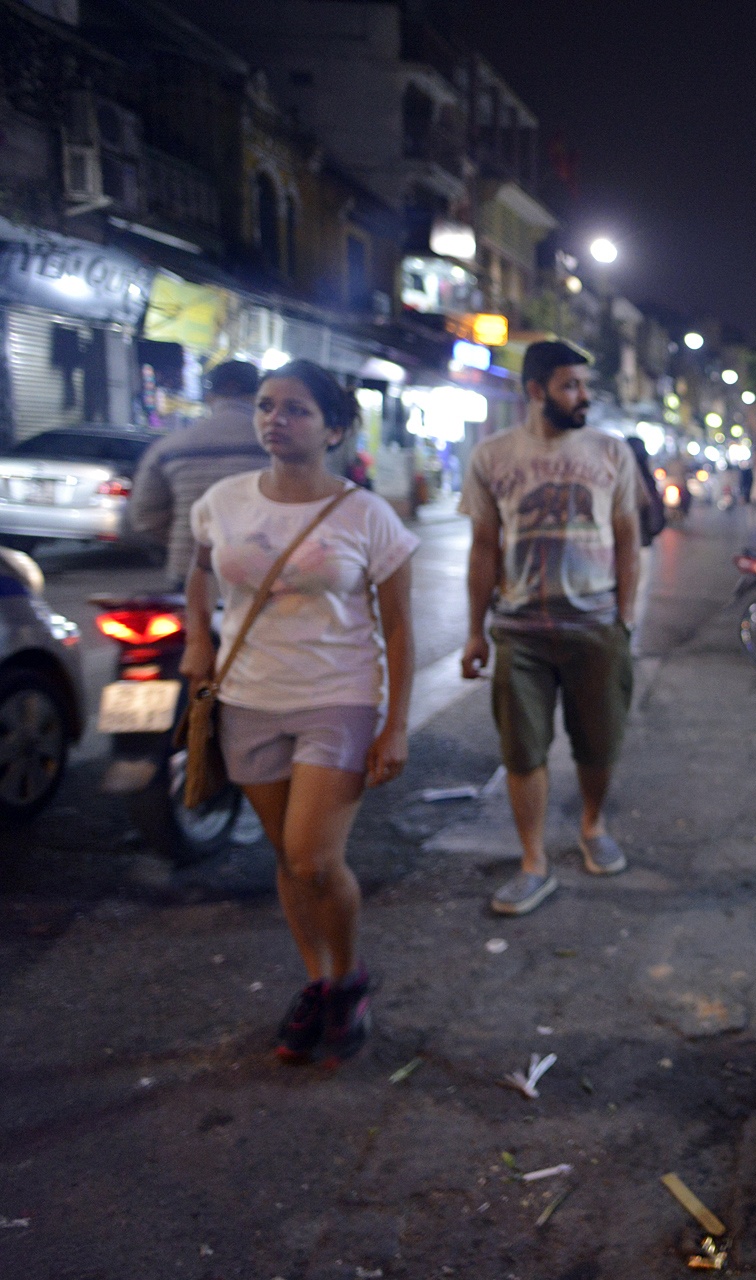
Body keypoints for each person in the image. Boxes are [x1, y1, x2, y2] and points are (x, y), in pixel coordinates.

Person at [180, 359, 417, 1067]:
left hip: (337, 697)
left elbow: (399, 627)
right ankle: (317, 980)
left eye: (295, 410)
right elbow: (200, 568)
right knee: (286, 856)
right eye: (265, 406)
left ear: (334, 430)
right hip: (247, 697)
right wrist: (197, 638)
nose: (274, 420)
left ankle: (348, 977)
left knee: (315, 856)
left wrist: (395, 724)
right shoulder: (223, 500)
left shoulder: (368, 515)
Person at [460, 341, 641, 917]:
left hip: (595, 625)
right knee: (522, 751)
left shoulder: (611, 452)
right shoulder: (491, 456)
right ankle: (534, 861)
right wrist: (474, 631)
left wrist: (625, 616)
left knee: (600, 743)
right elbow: (483, 547)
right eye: (570, 385)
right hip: (520, 631)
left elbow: (628, 538)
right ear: (536, 390)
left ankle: (593, 824)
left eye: (585, 385)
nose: (583, 396)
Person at [127, 361, 267, 585]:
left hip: (191, 571)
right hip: (263, 574)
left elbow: (143, 517)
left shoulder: (169, 447)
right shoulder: (279, 446)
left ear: (210, 397)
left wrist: (186, 536)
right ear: (259, 396)